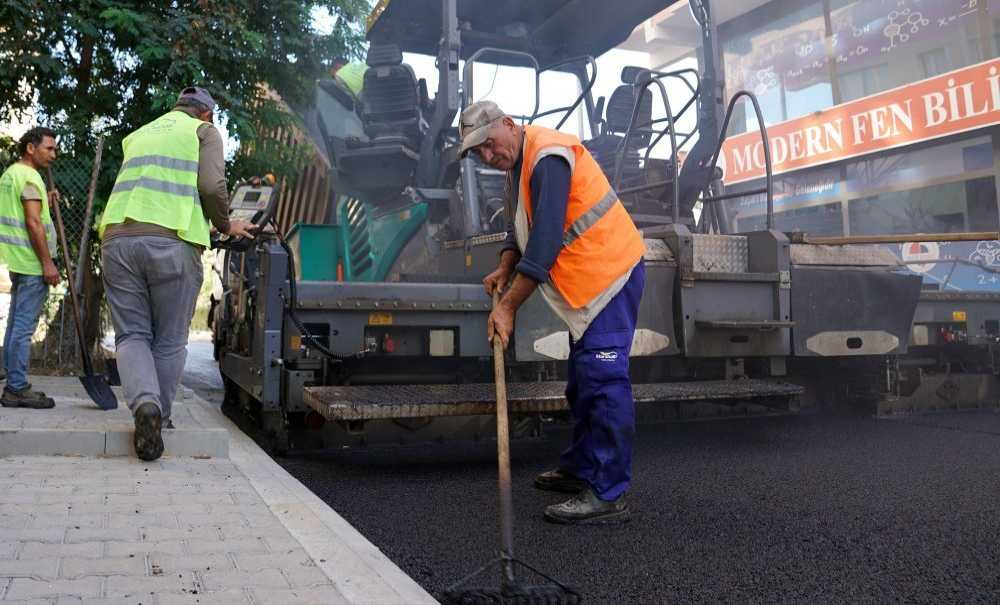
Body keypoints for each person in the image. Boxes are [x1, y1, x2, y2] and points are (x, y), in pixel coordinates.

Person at [463, 101, 646, 525]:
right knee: (582, 381)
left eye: (489, 144)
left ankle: (608, 492)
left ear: (509, 125)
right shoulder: (518, 165)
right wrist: (506, 266)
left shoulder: (548, 157)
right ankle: (582, 468)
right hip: (587, 283)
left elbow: (543, 244)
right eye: (479, 152)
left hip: (611, 274)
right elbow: (518, 228)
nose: (488, 155)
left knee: (603, 382)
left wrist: (508, 307)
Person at [100, 87, 257, 461]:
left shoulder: (139, 134)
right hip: (172, 243)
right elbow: (211, 186)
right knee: (169, 340)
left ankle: (145, 405)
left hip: (117, 239)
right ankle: (161, 417)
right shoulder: (203, 131)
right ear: (206, 113)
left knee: (132, 334)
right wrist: (225, 225)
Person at [0, 127, 61, 409]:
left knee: (15, 325)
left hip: (17, 260)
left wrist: (45, 199)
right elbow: (33, 222)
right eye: (49, 148)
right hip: (33, 263)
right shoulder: (30, 176)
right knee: (23, 328)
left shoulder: (10, 174)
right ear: (30, 148)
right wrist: (47, 263)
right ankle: (16, 388)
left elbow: (21, 208)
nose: (53, 154)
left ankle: (9, 375)